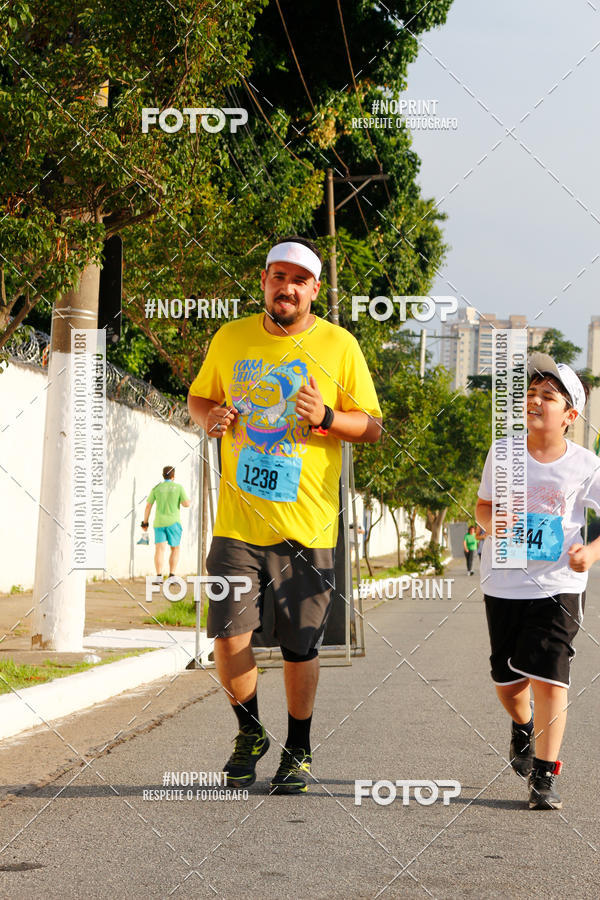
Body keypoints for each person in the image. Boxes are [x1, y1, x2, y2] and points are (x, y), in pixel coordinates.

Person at [187, 236, 382, 794]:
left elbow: (370, 425)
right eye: (278, 276)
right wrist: (211, 417)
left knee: (300, 644)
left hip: (309, 525)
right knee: (229, 634)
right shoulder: (230, 338)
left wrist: (325, 417)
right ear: (266, 281)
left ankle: (298, 746)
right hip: (237, 524)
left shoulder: (340, 346)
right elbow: (202, 396)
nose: (287, 288)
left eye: (299, 280)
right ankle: (250, 734)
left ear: (315, 289)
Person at [475, 352, 600, 810]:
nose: (534, 401)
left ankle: (544, 777)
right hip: (504, 583)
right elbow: (482, 506)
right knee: (508, 682)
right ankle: (522, 726)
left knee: (550, 677)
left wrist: (590, 551)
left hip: (559, 584)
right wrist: (497, 522)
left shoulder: (585, 464)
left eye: (548, 396)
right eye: (530, 393)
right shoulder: (503, 452)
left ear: (570, 415)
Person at [142, 466, 191, 578]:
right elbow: (186, 504)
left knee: (159, 549)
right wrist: (189, 500)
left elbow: (148, 506)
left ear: (163, 475)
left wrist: (145, 523)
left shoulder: (156, 488)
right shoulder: (178, 487)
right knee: (175, 548)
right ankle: (172, 575)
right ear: (173, 476)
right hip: (174, 523)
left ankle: (159, 576)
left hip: (159, 523)